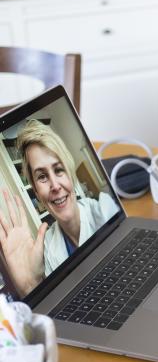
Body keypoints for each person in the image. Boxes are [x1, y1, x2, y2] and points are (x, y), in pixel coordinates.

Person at [0, 119, 119, 296]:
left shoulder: (105, 211)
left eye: (58, 170)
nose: (55, 185)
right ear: (36, 192)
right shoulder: (46, 249)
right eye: (42, 176)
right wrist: (29, 287)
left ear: (70, 173)